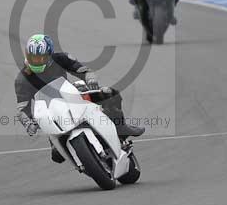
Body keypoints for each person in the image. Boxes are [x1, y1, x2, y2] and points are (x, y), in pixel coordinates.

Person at [15, 34, 145, 163]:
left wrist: (90, 77)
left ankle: (120, 126)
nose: (36, 61)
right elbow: (22, 108)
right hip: (51, 115)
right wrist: (28, 123)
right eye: (33, 58)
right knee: (57, 155)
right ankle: (81, 160)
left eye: (41, 58)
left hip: (71, 95)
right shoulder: (23, 79)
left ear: (49, 54)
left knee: (109, 93)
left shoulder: (61, 58)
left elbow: (83, 70)